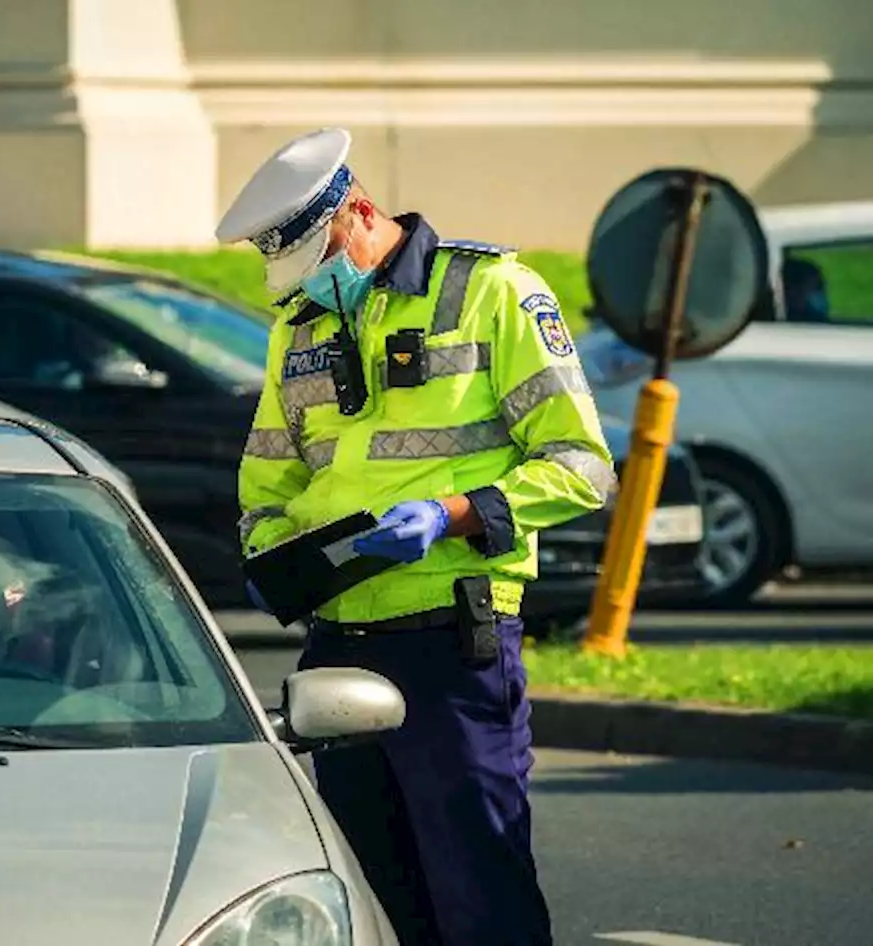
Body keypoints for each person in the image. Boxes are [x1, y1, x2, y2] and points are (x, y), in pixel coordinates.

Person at [216, 127, 617, 946]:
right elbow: (269, 476)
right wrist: (272, 555)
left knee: (480, 890)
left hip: (451, 641)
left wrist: (454, 514)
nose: (312, 288)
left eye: (317, 260)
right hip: (338, 643)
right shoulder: (301, 324)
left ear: (358, 212)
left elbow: (583, 465)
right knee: (368, 894)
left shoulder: (492, 292)